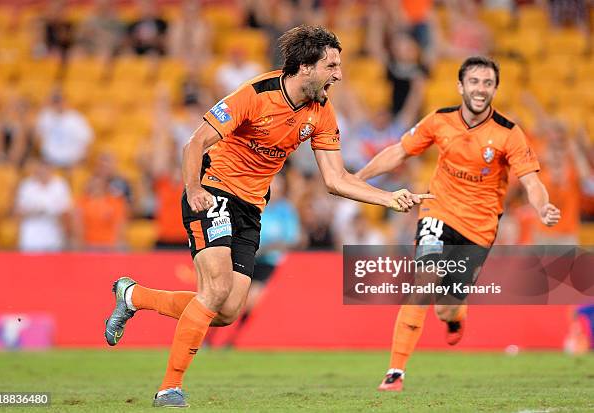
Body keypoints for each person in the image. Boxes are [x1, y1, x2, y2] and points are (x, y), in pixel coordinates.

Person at [104, 25, 430, 408]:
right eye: (332, 66)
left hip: (252, 207)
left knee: (226, 312)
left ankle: (134, 295)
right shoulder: (254, 95)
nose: (339, 75)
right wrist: (194, 189)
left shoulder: (322, 112)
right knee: (214, 291)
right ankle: (169, 389)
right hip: (213, 191)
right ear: (306, 67)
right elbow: (195, 143)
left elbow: (336, 179)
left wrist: (389, 198)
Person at [356, 56, 561, 392]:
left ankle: (456, 316)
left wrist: (543, 207)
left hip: (478, 230)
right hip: (437, 213)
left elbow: (531, 182)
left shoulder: (509, 133)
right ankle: (395, 372)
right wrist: (357, 179)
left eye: (488, 83)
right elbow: (399, 152)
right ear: (461, 86)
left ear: (495, 88)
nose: (481, 89)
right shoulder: (439, 121)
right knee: (423, 282)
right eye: (475, 82)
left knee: (445, 309)